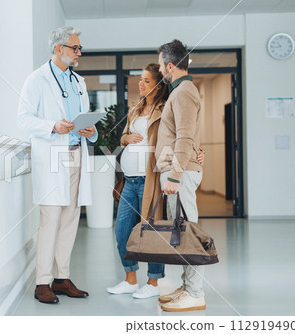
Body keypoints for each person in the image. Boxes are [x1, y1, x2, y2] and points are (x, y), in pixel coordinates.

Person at [107, 64, 204, 299]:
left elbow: (182, 134)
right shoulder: (136, 108)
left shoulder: (165, 108)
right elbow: (124, 137)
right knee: (122, 233)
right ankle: (130, 279)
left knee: (151, 232)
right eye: (140, 79)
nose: (141, 84)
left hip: (149, 179)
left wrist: (197, 152)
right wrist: (125, 137)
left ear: (158, 85)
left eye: (147, 80)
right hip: (129, 181)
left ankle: (152, 282)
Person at [17, 26, 97, 304]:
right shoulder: (37, 80)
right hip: (52, 156)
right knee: (50, 219)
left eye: (79, 48)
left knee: (70, 217)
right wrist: (53, 126)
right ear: (58, 49)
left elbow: (84, 118)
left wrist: (91, 131)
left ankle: (62, 278)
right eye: (74, 48)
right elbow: (24, 119)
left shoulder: (78, 82)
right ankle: (42, 282)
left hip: (76, 152)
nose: (78, 53)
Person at [156, 39, 205, 312]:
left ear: (170, 66)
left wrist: (174, 176)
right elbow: (188, 135)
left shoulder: (183, 91)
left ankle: (195, 293)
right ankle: (188, 287)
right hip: (180, 170)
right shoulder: (182, 91)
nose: (161, 68)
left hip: (180, 174)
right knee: (183, 231)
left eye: (161, 64)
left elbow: (185, 136)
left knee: (188, 233)